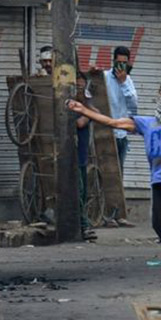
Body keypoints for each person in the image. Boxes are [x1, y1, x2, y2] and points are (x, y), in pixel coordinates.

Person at [68, 81, 161, 288]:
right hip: (158, 183)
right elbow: (113, 123)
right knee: (160, 229)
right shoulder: (146, 123)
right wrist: (84, 110)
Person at [103, 46, 138, 177]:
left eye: (124, 63)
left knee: (118, 172)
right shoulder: (105, 77)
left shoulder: (128, 81)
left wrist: (123, 83)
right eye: (119, 63)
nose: (121, 66)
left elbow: (133, 104)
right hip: (105, 132)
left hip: (121, 134)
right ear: (113, 61)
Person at [74, 71, 96, 241]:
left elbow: (95, 112)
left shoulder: (85, 107)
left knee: (82, 192)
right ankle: (83, 224)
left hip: (81, 155)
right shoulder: (71, 107)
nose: (80, 89)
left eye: (82, 86)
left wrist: (88, 111)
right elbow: (80, 122)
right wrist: (88, 112)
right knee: (78, 190)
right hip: (70, 156)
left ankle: (83, 224)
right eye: (77, 86)